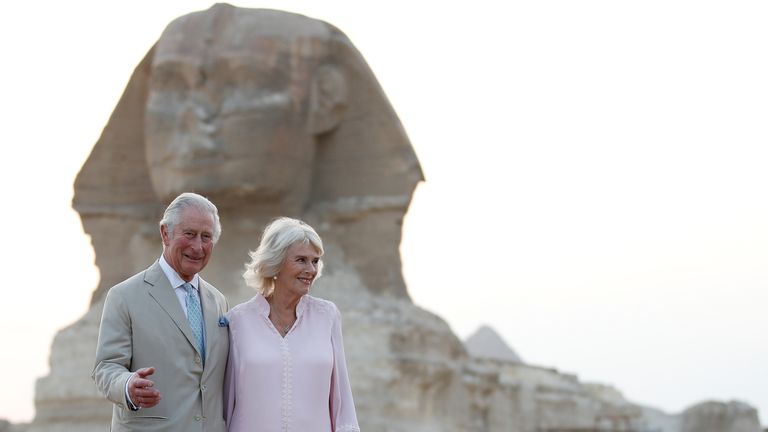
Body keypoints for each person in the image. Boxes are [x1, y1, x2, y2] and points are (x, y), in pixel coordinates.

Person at [92, 192, 230, 432]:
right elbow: (106, 367)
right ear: (165, 233)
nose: (197, 246)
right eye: (189, 234)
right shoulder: (123, 296)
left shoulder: (218, 301)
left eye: (206, 237)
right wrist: (128, 386)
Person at [224, 217, 359, 432]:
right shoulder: (237, 321)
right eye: (301, 260)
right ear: (275, 263)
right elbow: (225, 402)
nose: (311, 269)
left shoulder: (327, 316)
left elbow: (341, 395)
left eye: (315, 261)